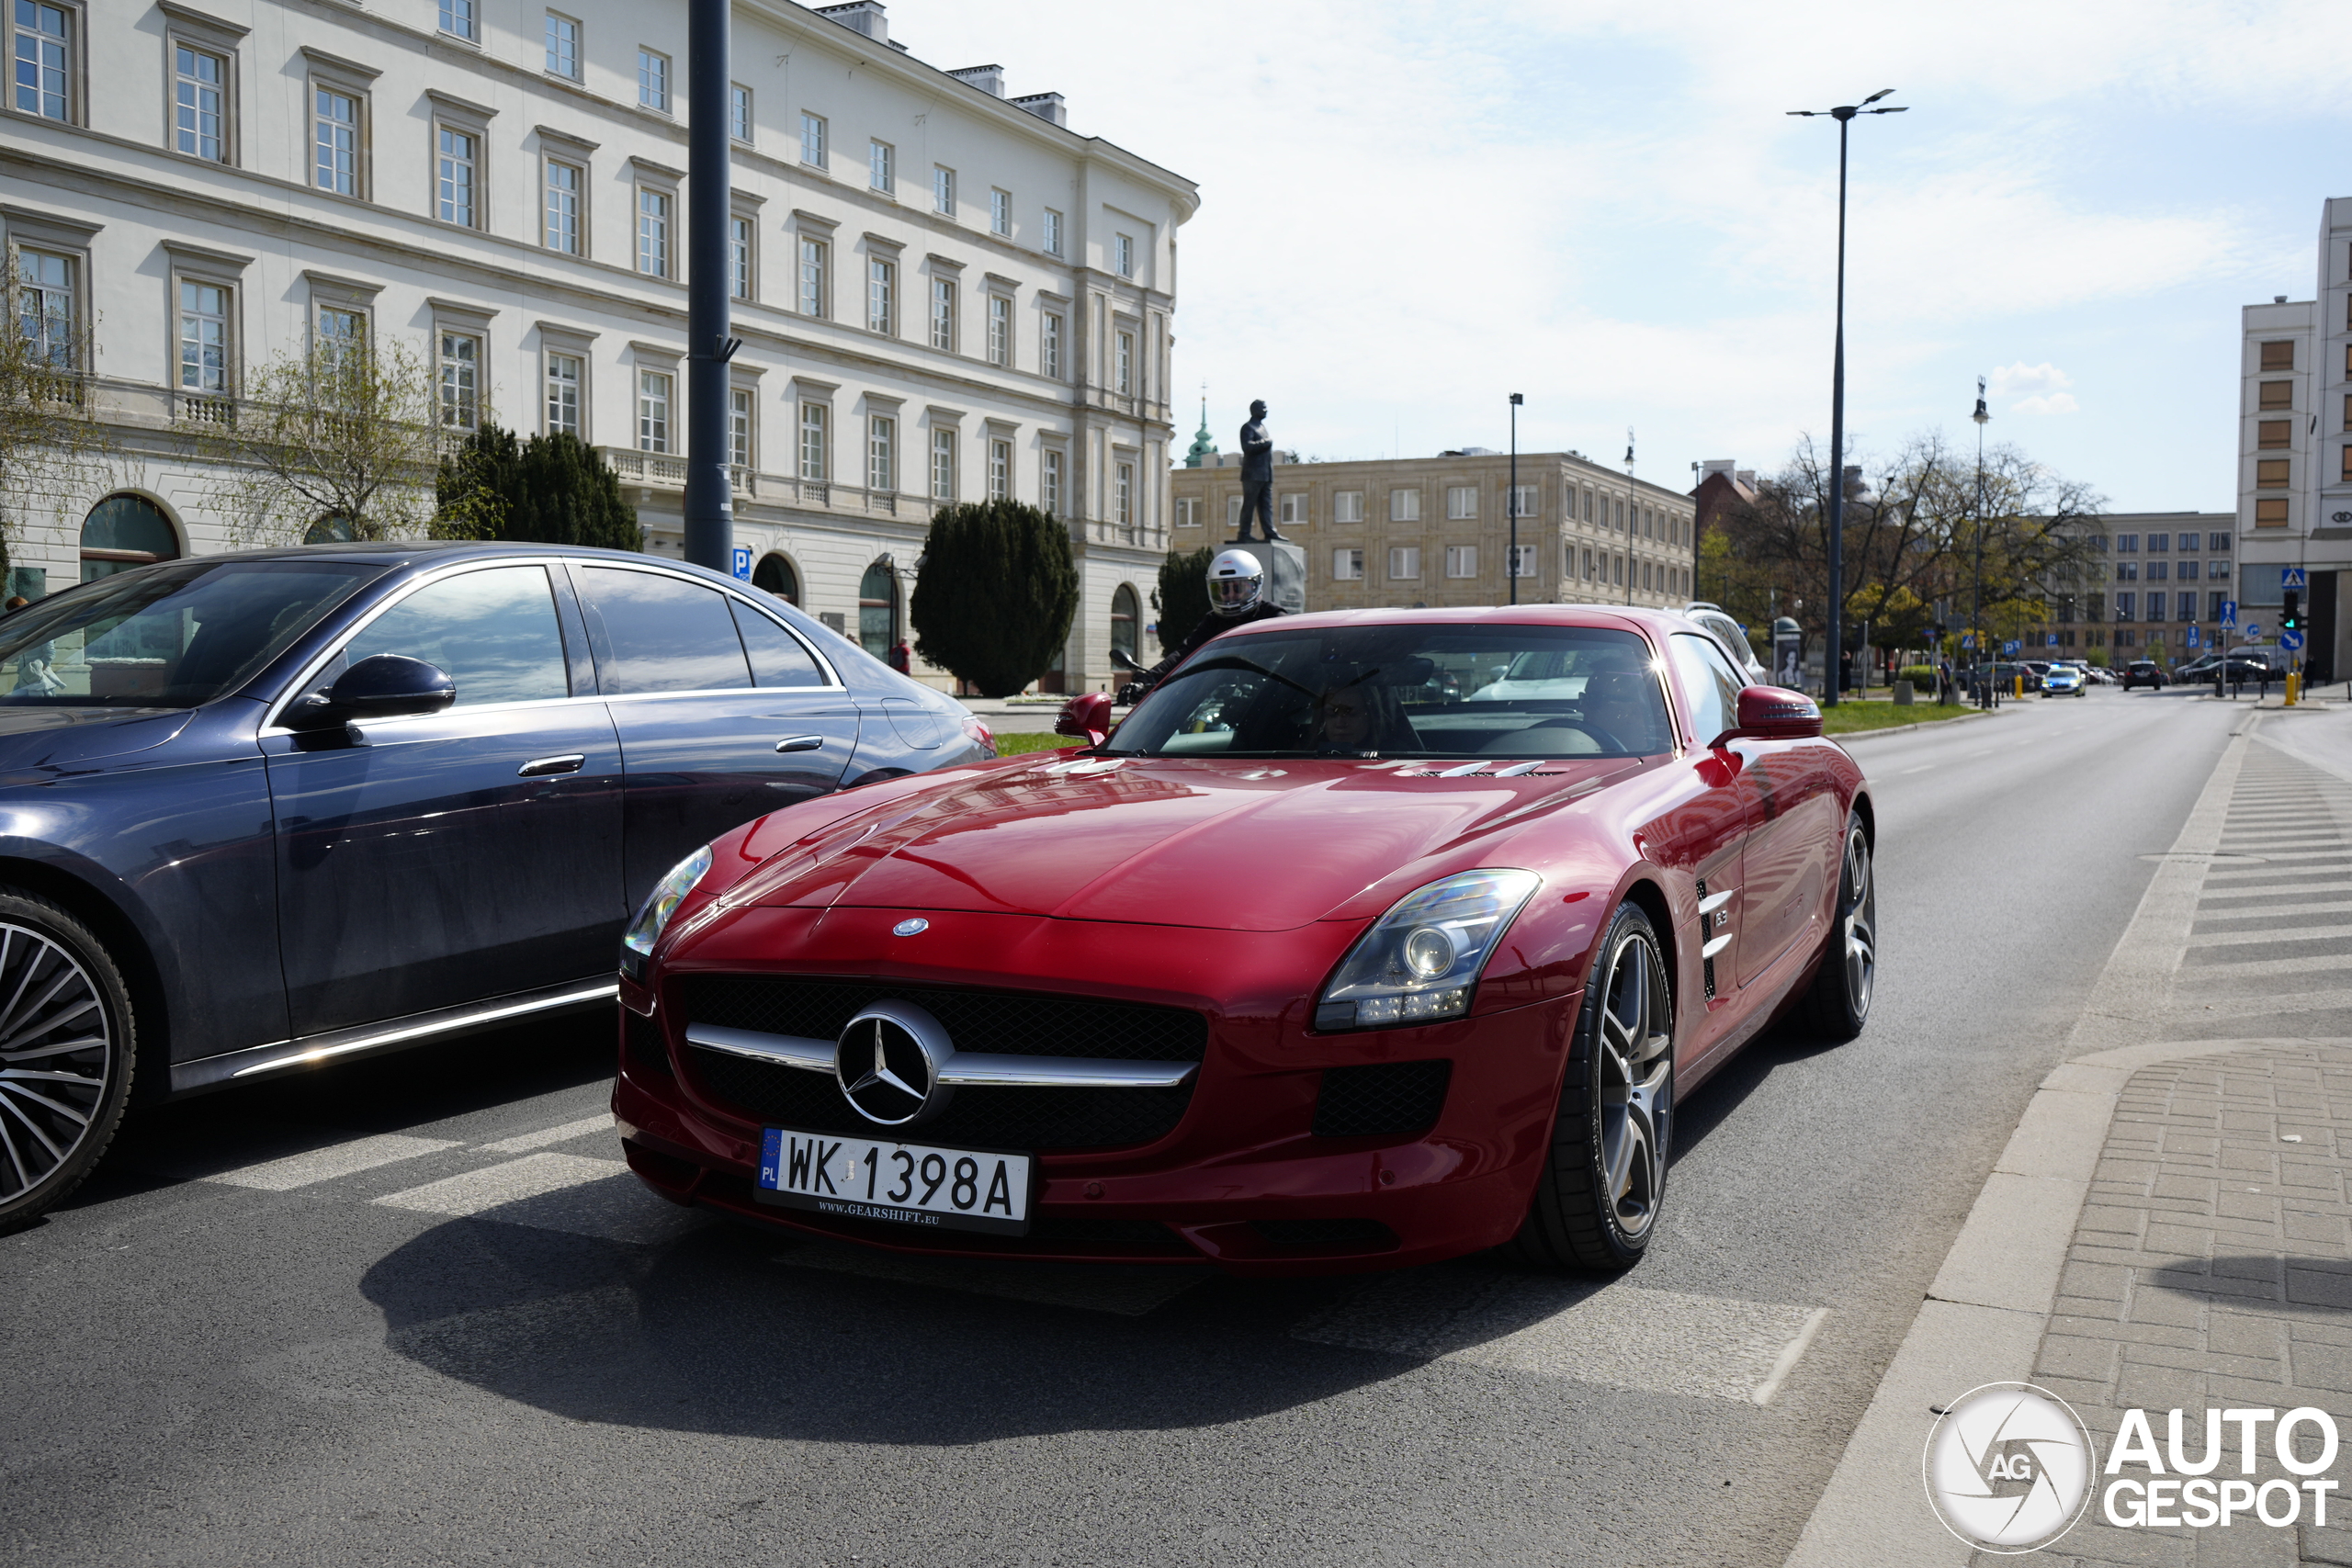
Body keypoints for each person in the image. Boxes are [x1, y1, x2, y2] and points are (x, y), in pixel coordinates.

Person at [1121, 548, 1289, 700]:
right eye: (1223, 589)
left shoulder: (1273, 617)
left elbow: (1292, 660)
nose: (1230, 595)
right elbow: (1185, 653)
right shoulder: (1214, 620)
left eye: (1238, 588)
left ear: (1256, 585)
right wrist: (1147, 680)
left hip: (1268, 698)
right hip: (1222, 698)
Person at [1234, 400, 1284, 543]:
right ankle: (1244, 533)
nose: (1266, 410)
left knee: (1266, 505)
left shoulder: (1262, 428)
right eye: (1263, 408)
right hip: (1252, 474)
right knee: (1249, 505)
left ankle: (1270, 532)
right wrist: (1265, 443)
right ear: (1255, 410)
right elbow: (1247, 447)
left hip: (1265, 474)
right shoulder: (1248, 427)